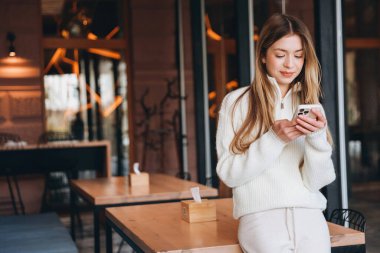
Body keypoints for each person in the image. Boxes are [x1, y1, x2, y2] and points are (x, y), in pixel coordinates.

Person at [216, 13, 336, 253]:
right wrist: (274, 139)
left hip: (310, 217)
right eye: (280, 55)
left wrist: (316, 139)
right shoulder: (236, 102)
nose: (290, 64)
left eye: (298, 56)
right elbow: (229, 174)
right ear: (262, 56)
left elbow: (317, 181)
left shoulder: (310, 107)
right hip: (260, 219)